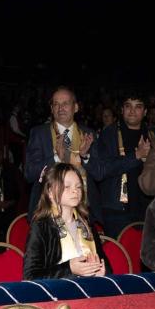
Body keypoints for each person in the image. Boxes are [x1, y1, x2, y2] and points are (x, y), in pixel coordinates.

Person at [24, 86, 101, 223]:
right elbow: (29, 174)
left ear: (76, 107)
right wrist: (55, 158)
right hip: (48, 211)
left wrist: (85, 157)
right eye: (56, 104)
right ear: (52, 109)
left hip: (84, 211)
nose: (60, 108)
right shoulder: (39, 134)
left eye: (65, 103)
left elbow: (99, 174)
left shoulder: (89, 134)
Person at [23, 163, 111, 280]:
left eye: (78, 187)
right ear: (50, 192)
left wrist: (101, 273)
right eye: (67, 187)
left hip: (89, 291)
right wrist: (69, 269)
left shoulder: (86, 223)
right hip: (58, 295)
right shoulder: (41, 226)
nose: (75, 191)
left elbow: (105, 264)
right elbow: (30, 276)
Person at [93, 92, 152, 238]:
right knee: (118, 256)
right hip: (117, 208)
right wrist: (136, 156)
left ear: (145, 112)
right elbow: (102, 170)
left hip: (147, 208)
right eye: (128, 106)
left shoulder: (153, 136)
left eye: (137, 107)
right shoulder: (109, 134)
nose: (132, 111)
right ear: (121, 110)